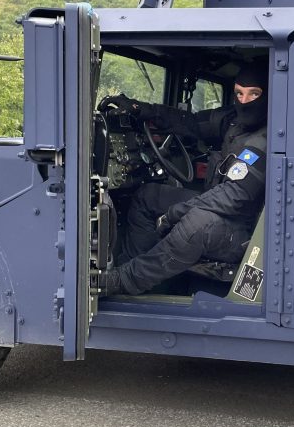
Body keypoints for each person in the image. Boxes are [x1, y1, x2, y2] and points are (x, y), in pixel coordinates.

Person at [100, 65, 268, 295]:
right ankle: (135, 272)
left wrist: (176, 213)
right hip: (219, 208)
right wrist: (142, 109)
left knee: (195, 224)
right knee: (148, 197)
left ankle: (124, 280)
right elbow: (190, 122)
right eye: (239, 93)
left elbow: (233, 197)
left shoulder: (266, 138)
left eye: (254, 94)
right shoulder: (233, 122)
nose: (244, 101)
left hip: (245, 231)